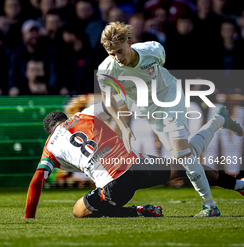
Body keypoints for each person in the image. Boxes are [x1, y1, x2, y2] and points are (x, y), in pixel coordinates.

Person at [96, 21, 244, 217]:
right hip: (149, 110)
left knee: (182, 154)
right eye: (112, 53)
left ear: (129, 42)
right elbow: (108, 100)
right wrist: (123, 126)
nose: (118, 57)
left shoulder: (153, 50)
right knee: (184, 158)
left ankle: (210, 206)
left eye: (120, 51)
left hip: (170, 97)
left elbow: (162, 66)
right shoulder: (106, 69)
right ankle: (219, 122)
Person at [23, 102, 244, 219]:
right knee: (184, 165)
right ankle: (238, 184)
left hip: (114, 184)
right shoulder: (85, 113)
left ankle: (138, 211)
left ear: (50, 132)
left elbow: (37, 180)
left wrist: (29, 215)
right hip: (136, 163)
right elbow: (117, 102)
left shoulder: (50, 145)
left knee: (79, 211)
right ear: (65, 118)